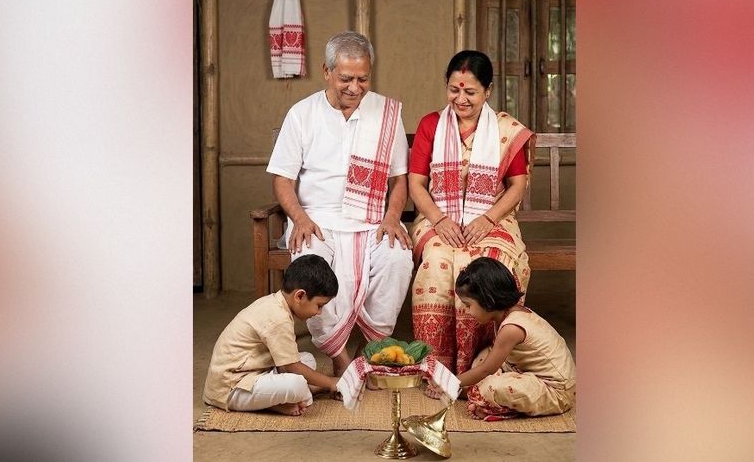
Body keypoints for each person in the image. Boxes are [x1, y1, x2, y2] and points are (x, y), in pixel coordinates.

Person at [267, 31, 414, 377]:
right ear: (327, 71)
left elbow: (399, 179)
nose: (355, 87)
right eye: (346, 78)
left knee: (397, 257)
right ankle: (339, 355)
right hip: (317, 220)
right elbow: (282, 179)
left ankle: (371, 348)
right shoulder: (302, 114)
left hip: (372, 220)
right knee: (310, 261)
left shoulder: (386, 113)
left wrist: (392, 217)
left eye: (363, 79)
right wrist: (299, 219)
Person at [408, 50, 534, 379]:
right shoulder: (431, 125)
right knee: (437, 262)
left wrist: (487, 219)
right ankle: (437, 367)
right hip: (436, 217)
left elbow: (517, 186)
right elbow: (416, 183)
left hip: (493, 217)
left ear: (488, 91)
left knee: (488, 261)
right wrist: (439, 220)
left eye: (471, 92)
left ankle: (483, 365)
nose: (460, 99)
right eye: (454, 90)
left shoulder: (506, 129)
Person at [203, 255, 341, 416]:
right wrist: (330, 382)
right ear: (299, 296)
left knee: (307, 359)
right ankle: (280, 401)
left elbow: (287, 364)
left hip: (256, 370)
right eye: (319, 305)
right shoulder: (278, 318)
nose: (319, 312)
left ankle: (284, 398)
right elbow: (292, 367)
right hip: (231, 387)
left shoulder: (276, 303)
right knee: (296, 385)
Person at [454, 257, 575, 420]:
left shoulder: (512, 328)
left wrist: (448, 383)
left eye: (468, 305)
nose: (467, 311)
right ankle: (480, 395)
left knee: (493, 385)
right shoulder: (507, 313)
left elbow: (486, 370)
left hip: (556, 391)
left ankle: (489, 403)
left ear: (488, 300)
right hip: (524, 371)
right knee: (485, 354)